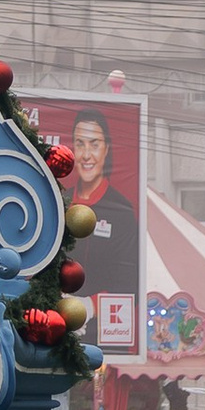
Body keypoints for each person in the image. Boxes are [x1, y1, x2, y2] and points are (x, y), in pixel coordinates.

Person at [67, 114, 145, 299]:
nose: (86, 155)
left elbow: (128, 281)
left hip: (101, 314)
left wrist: (90, 306)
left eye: (94, 144)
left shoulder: (122, 211)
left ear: (106, 149)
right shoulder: (59, 202)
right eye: (80, 144)